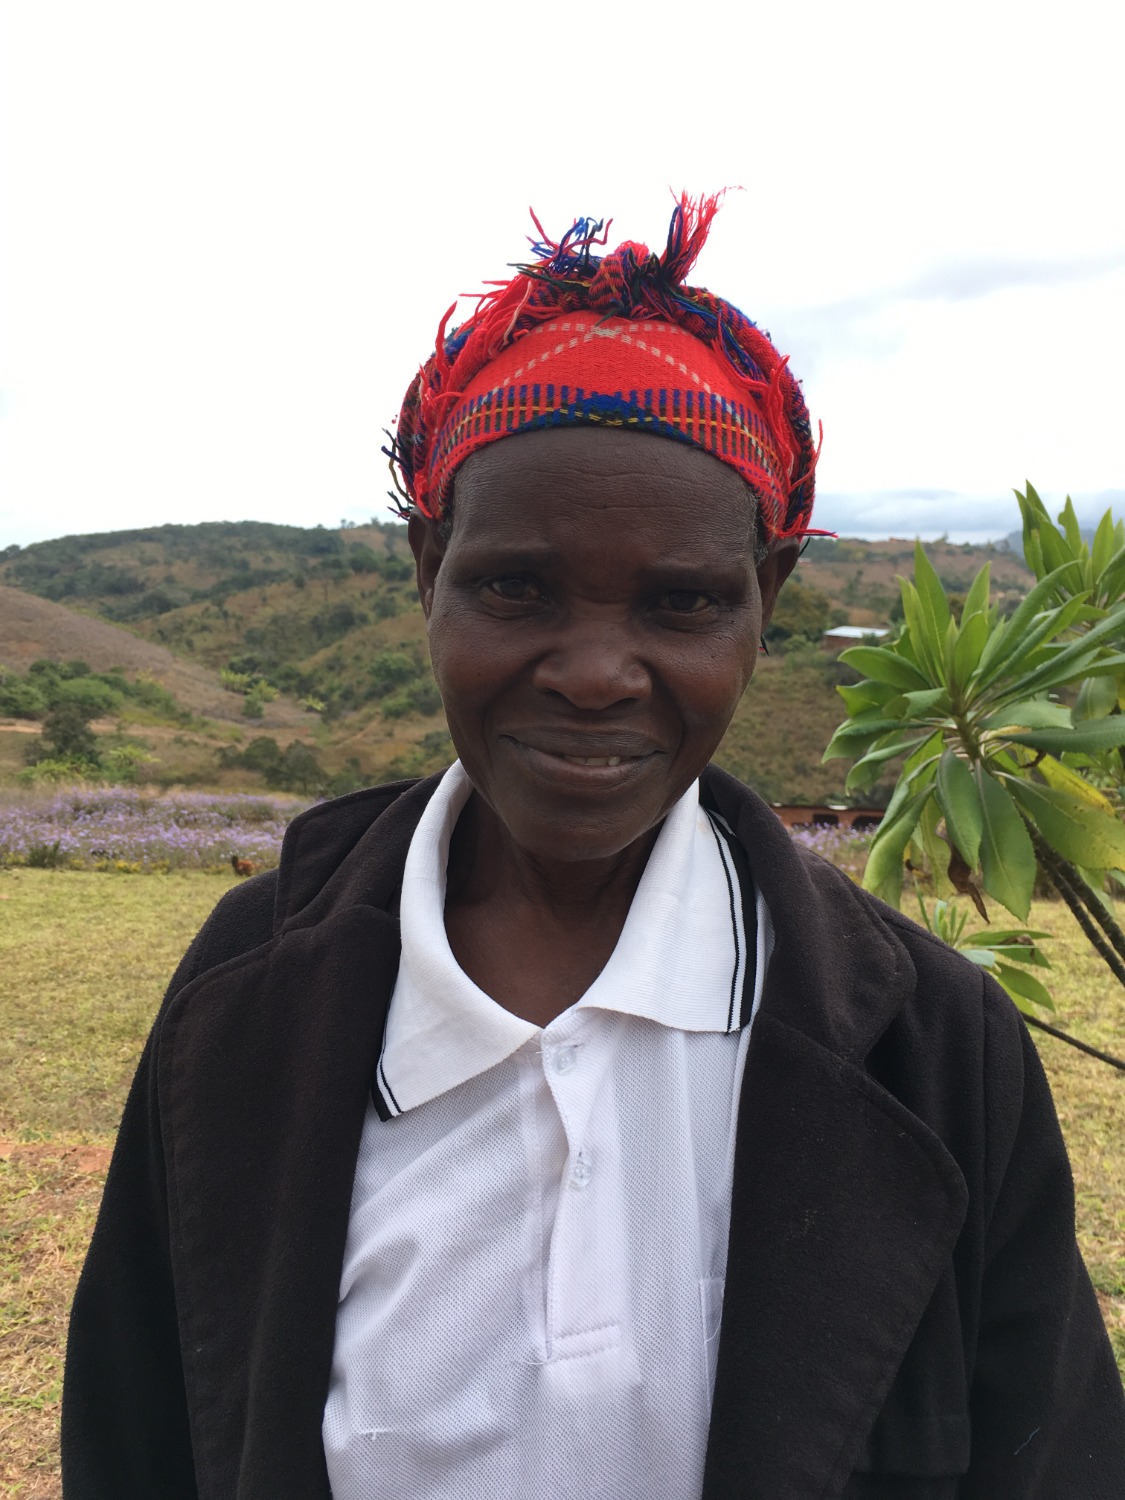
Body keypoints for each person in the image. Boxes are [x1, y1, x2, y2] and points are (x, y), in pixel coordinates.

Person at [62, 196, 1125, 1499]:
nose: (594, 674)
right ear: (426, 568)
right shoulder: (248, 994)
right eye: (517, 586)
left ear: (766, 600)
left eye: (679, 603)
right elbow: (135, 1432)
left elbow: (1048, 1457)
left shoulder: (935, 1048)